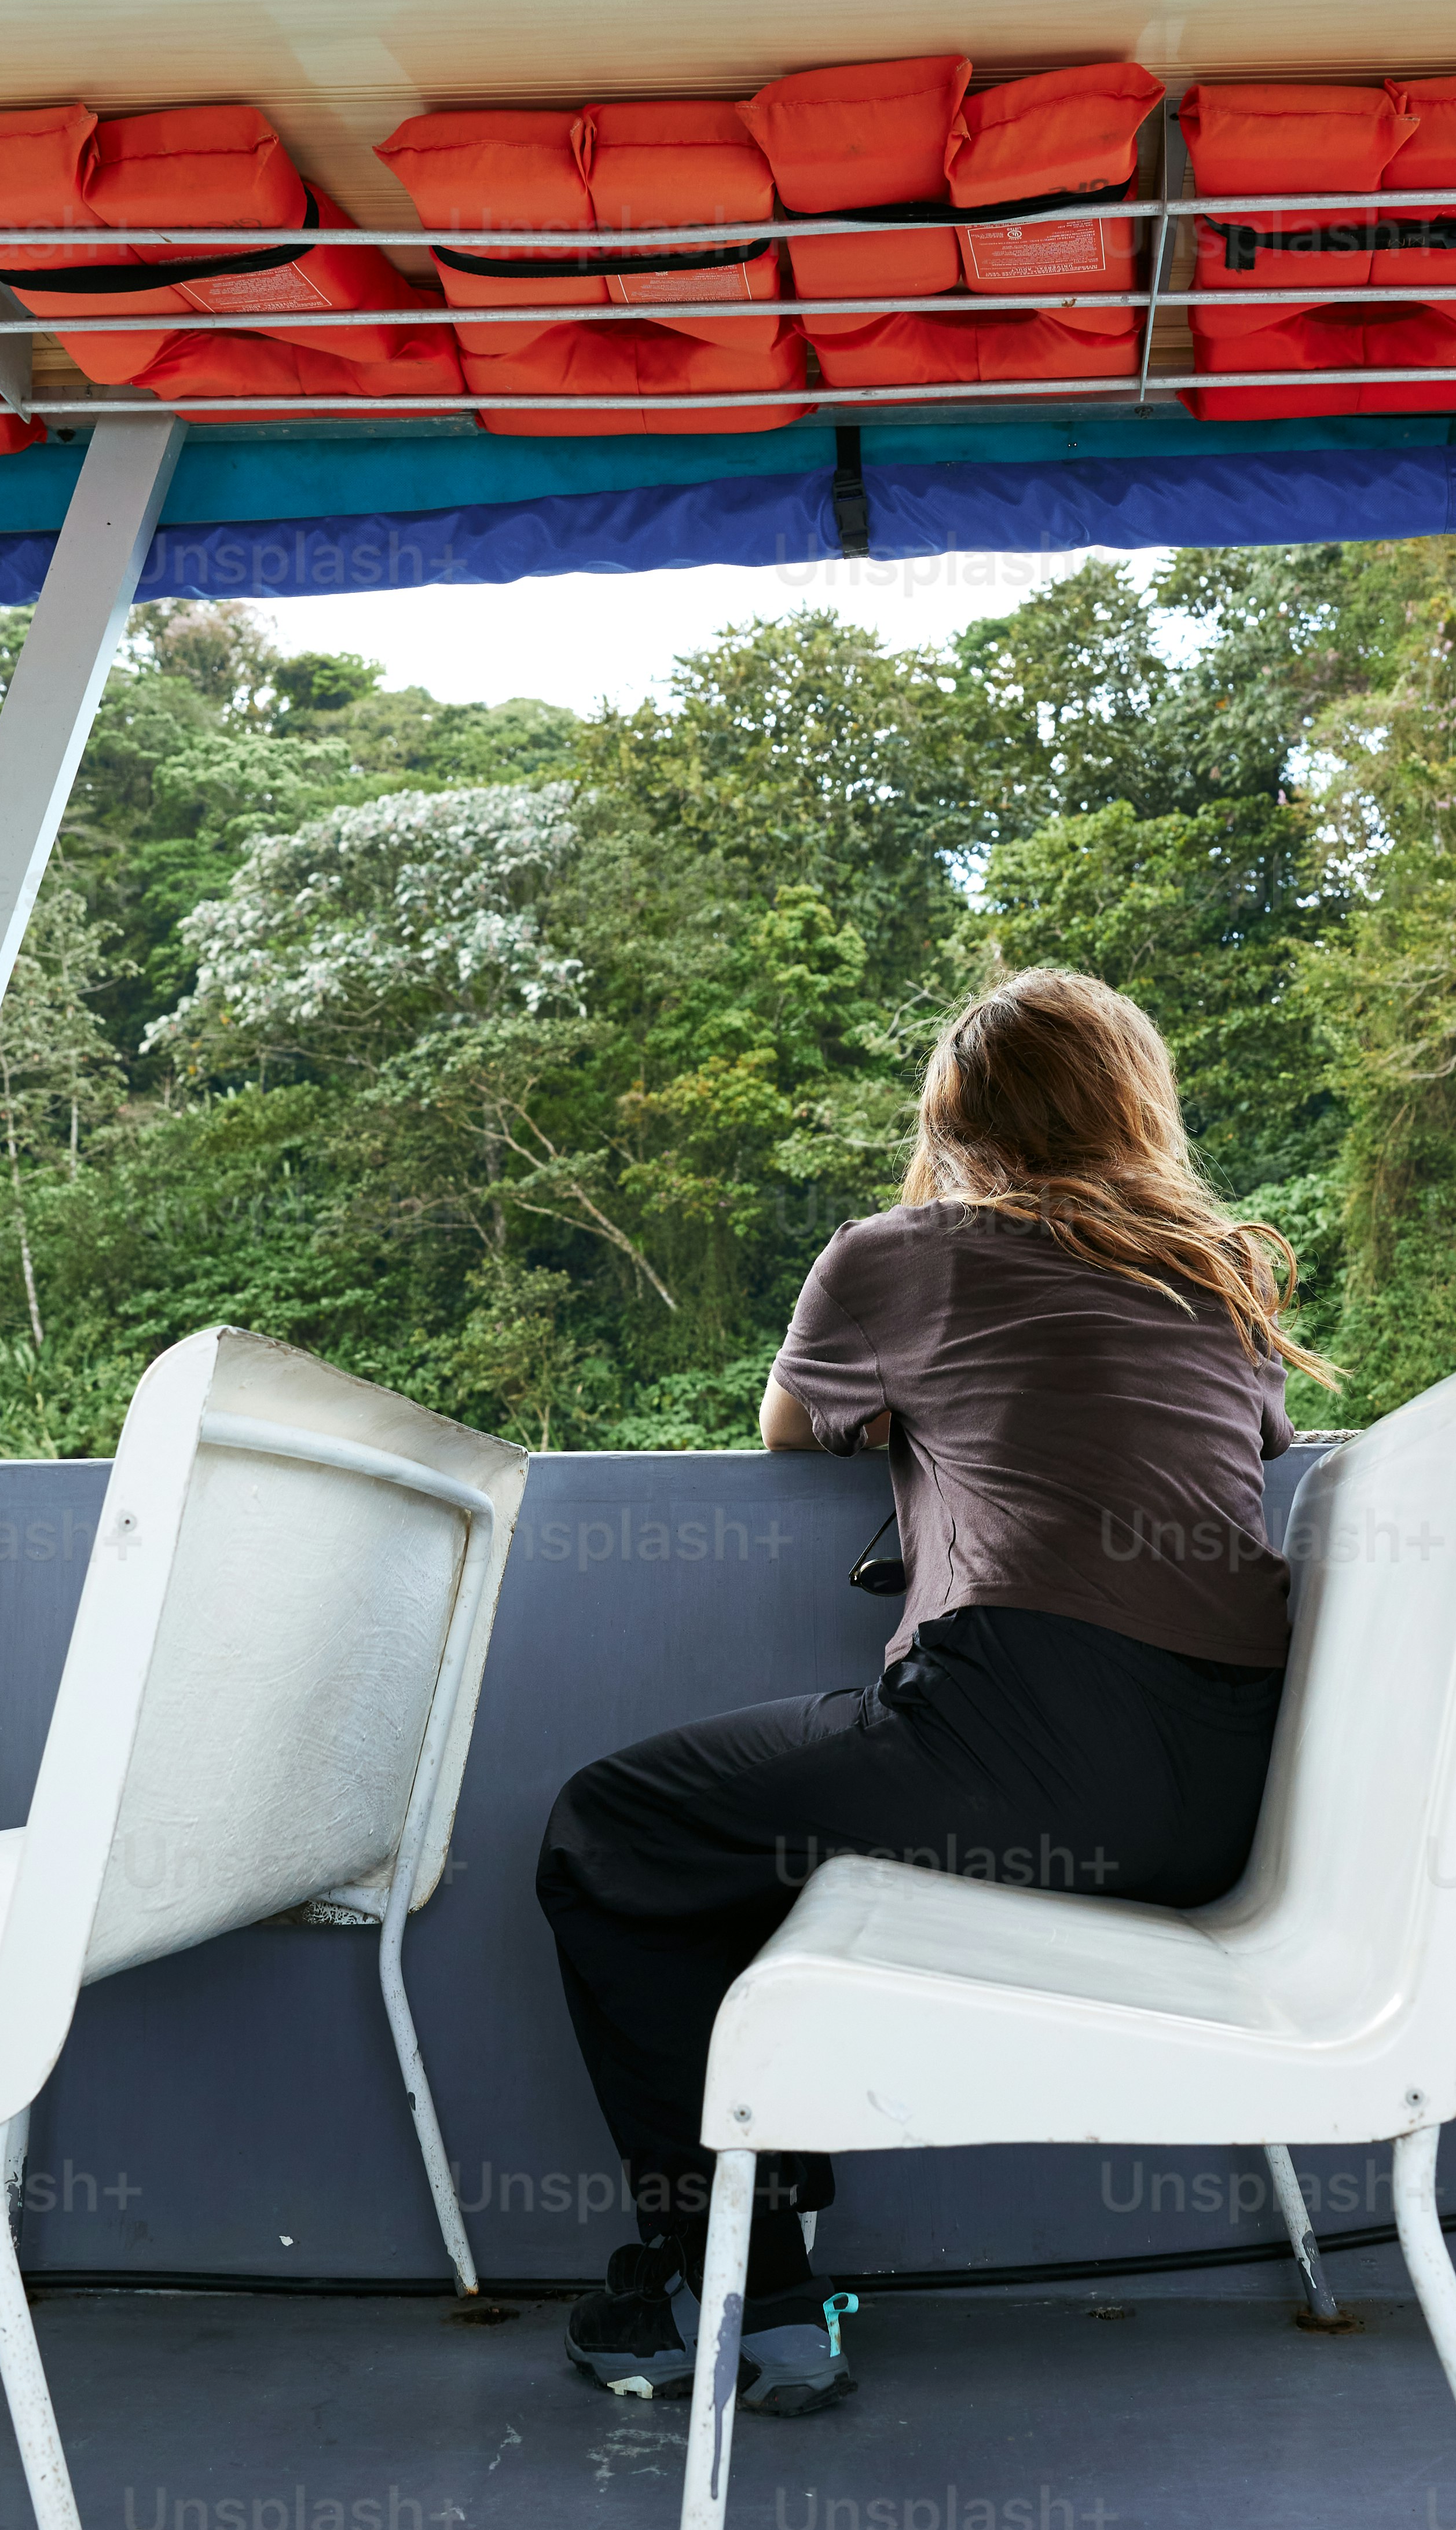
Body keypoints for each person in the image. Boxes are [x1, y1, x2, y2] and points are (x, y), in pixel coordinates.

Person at [535, 964, 1330, 2416]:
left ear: (953, 1123)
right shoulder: (1217, 1283)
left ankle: (736, 2281)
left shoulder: (895, 1253)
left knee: (614, 1830)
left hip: (1020, 1735)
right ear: (1132, 1106)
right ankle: (760, 2250)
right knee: (739, 1842)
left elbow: (790, 1426)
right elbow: (1251, 1446)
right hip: (1224, 1794)